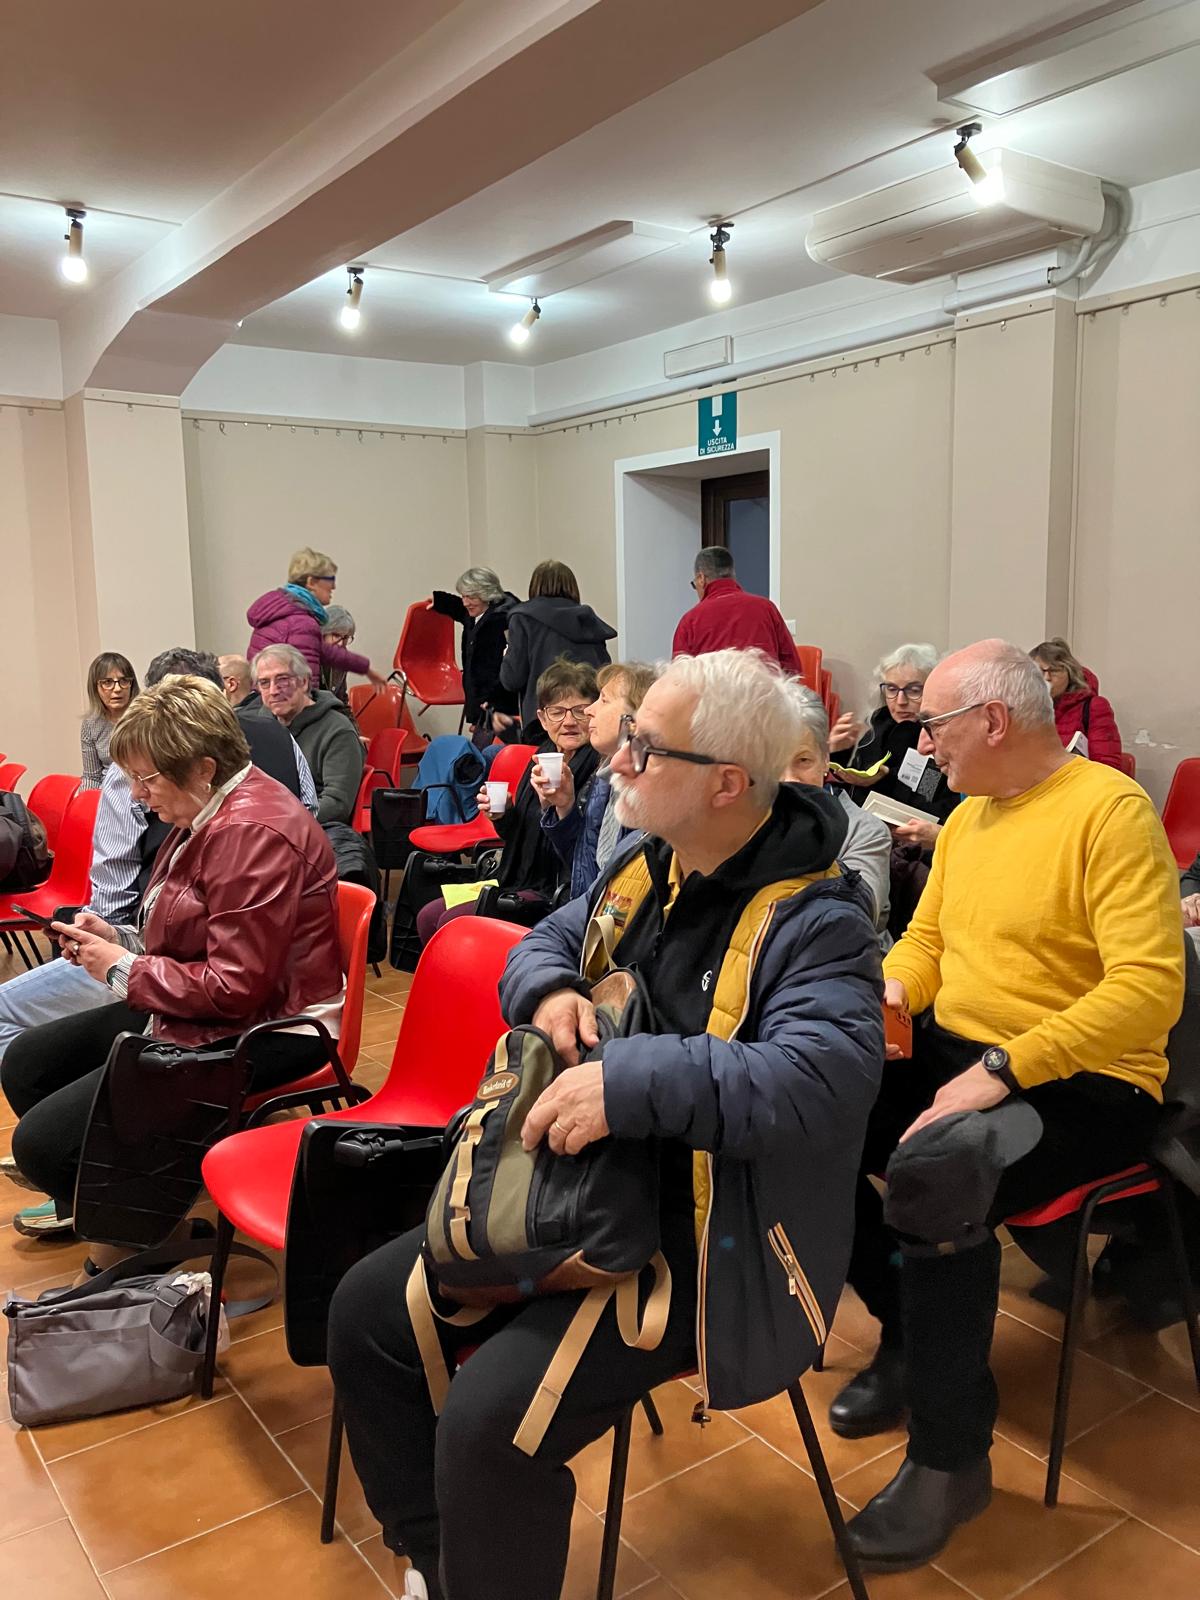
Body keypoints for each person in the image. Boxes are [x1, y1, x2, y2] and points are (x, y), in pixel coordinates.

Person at [328, 648, 883, 1600]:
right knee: (365, 1314)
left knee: (490, 1426)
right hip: (578, 1188)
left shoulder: (822, 921)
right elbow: (549, 937)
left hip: (705, 1239)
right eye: (627, 738)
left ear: (726, 784)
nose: (616, 759)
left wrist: (625, 1084)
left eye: (645, 747)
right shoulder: (647, 860)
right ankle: (440, 1563)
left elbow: (818, 1082)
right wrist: (549, 990)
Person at [829, 640, 1184, 1575]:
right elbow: (927, 942)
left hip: (1089, 1080)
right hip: (974, 1056)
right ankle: (909, 1344)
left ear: (992, 720)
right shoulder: (971, 818)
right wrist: (893, 992)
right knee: (814, 1113)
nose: (921, 742)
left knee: (940, 1172)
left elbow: (1148, 991)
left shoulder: (1109, 810)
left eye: (933, 724)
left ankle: (951, 1460)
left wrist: (1005, 1066)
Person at [1, 677, 344, 1266]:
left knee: (43, 1146)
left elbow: (234, 989)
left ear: (204, 768)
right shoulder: (210, 811)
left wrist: (121, 968)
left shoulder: (251, 833)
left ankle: (144, 1229)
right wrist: (118, 940)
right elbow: (193, 938)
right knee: (29, 1063)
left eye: (147, 778)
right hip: (212, 1005)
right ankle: (115, 1201)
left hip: (274, 1028)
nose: (137, 794)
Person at [416, 660, 601, 943]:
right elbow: (518, 835)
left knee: (453, 923)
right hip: (518, 877)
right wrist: (503, 815)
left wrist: (560, 806)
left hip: (554, 887)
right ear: (542, 718)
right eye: (557, 712)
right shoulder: (541, 757)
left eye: (579, 711)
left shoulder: (598, 766)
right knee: (428, 915)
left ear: (594, 713)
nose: (569, 722)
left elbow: (585, 850)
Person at [535, 661, 657, 899]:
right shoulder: (604, 778)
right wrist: (564, 807)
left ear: (634, 719)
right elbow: (584, 868)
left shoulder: (648, 791)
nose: (589, 710)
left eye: (604, 699)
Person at [782, 685, 891, 943]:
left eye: (803, 761)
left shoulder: (865, 831)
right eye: (775, 762)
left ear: (825, 760)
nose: (789, 779)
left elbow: (853, 918)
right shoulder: (745, 821)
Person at [831, 643, 959, 851]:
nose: (900, 701)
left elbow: (931, 805)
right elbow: (849, 795)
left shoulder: (939, 737)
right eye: (891, 689)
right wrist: (838, 754)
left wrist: (885, 778)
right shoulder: (878, 726)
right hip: (863, 836)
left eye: (914, 690)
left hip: (915, 845)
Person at [496, 560, 615, 734]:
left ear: (535, 585)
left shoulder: (523, 618)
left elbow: (512, 680)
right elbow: (604, 673)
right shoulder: (588, 620)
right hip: (587, 715)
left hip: (544, 719)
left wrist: (506, 656)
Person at [246, 547, 388, 691]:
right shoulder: (300, 622)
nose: (334, 586)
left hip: (262, 698)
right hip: (280, 701)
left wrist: (366, 668)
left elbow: (325, 651)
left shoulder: (285, 612)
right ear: (311, 582)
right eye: (330, 579)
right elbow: (305, 687)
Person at [253, 644, 364, 825]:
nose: (273, 690)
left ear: (304, 682)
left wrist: (283, 824)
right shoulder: (259, 726)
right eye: (264, 683)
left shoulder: (338, 730)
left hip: (316, 828)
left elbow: (337, 804)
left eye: (283, 680)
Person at [671, 546, 802, 676]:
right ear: (732, 574)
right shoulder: (767, 608)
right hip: (764, 688)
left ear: (701, 579)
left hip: (715, 690)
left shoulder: (690, 621)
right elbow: (793, 669)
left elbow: (678, 678)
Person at [430, 569, 519, 743]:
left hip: (497, 705)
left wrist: (492, 702)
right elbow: (459, 609)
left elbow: (509, 667)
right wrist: (439, 601)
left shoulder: (502, 620)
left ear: (487, 594)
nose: (465, 602)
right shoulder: (477, 614)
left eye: (470, 597)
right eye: (463, 596)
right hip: (482, 704)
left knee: (486, 753)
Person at [1029, 637, 1124, 769]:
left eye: (1055, 670)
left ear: (1070, 673)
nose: (1047, 678)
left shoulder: (1093, 706)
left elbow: (1108, 766)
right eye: (1039, 671)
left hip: (1078, 779)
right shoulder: (1024, 709)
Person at [80, 652, 139, 789]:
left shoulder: (145, 718)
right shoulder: (90, 724)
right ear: (95, 687)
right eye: (107, 682)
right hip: (106, 792)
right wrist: (87, 799)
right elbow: (92, 777)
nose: (117, 689)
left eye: (124, 681)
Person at [320, 605, 359, 703]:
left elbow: (341, 699)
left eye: (345, 637)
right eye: (336, 635)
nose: (341, 643)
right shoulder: (308, 656)